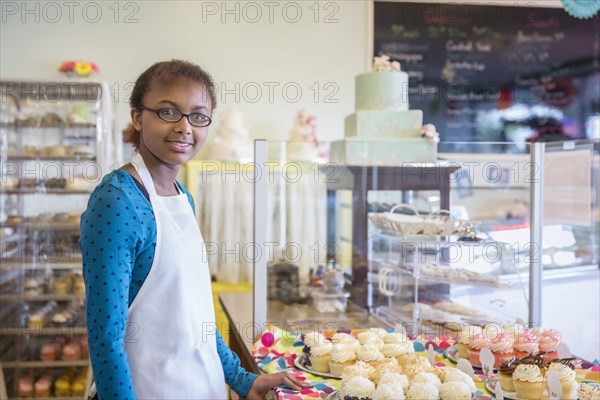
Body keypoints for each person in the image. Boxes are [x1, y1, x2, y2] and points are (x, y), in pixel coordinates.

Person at [80, 59, 310, 399]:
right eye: (168, 112)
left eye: (198, 116)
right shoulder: (118, 201)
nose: (185, 127)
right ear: (137, 117)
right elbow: (105, 338)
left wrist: (243, 379)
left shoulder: (182, 197)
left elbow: (197, 315)